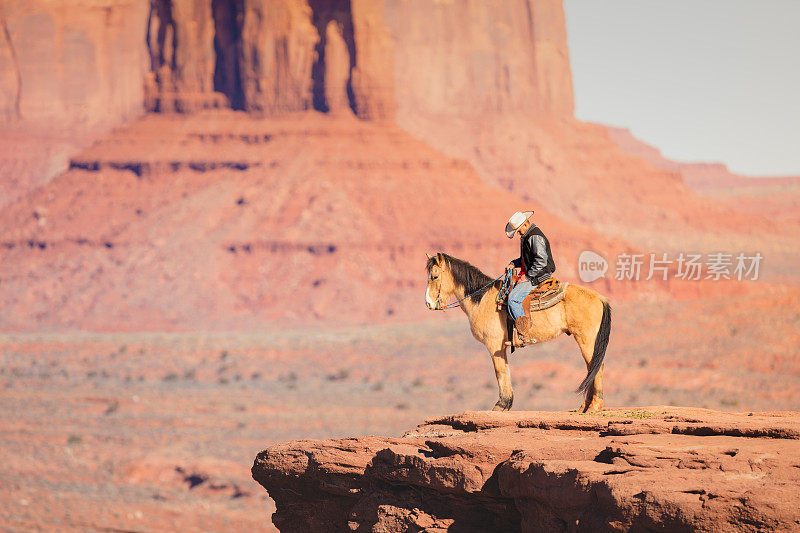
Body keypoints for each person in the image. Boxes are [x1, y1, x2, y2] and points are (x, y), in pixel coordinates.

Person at [504, 210, 556, 335]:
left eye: (519, 231)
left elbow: (541, 261)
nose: (518, 234)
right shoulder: (528, 236)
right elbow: (527, 259)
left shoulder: (534, 237)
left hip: (539, 275)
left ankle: (524, 332)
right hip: (534, 272)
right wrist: (513, 263)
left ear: (525, 225)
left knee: (513, 299)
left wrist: (527, 277)